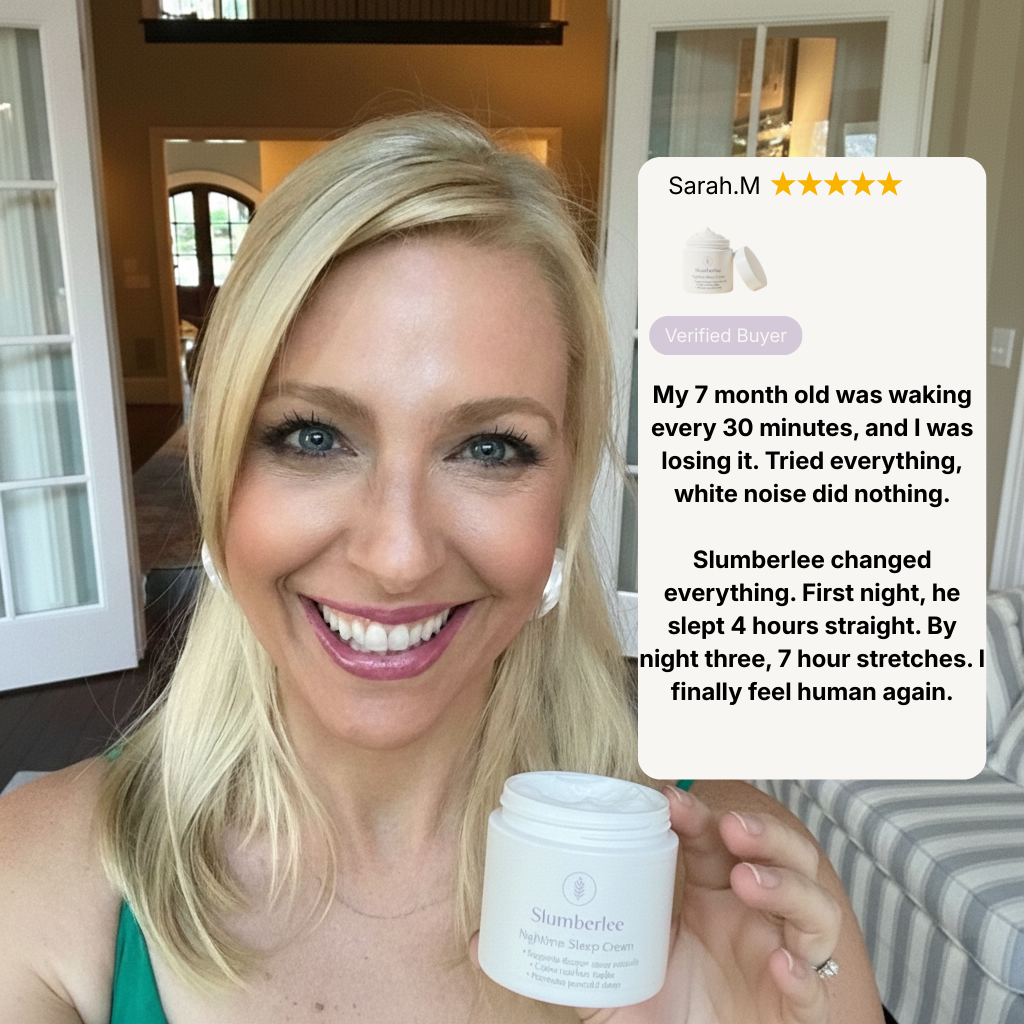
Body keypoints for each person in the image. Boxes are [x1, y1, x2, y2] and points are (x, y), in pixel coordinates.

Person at [0, 112, 884, 1024]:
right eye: (313, 436)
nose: (398, 556)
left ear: (563, 500)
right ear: (222, 476)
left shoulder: (740, 900)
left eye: (490, 448)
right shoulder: (36, 884)